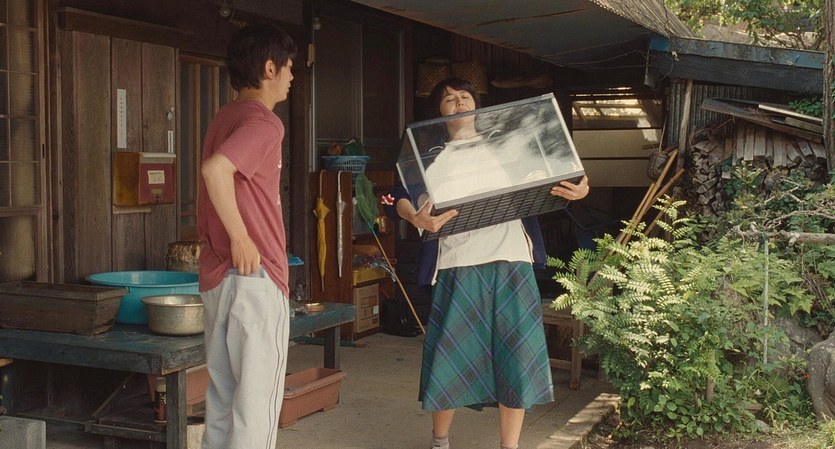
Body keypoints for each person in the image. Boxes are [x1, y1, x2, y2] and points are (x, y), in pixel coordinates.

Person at [393, 77, 590, 449]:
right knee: (451, 354)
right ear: (438, 112)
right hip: (456, 262)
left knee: (516, 355)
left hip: (511, 258)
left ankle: (509, 446)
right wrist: (414, 216)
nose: (459, 102)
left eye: (465, 96)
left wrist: (582, 185)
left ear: (477, 105)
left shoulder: (507, 147)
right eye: (449, 99)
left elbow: (559, 170)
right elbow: (398, 195)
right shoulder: (428, 156)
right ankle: (440, 442)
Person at [197, 23, 296, 449]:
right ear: (270, 68)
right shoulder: (265, 122)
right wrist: (242, 237)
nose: (291, 76)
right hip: (256, 277)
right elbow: (216, 171)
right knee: (256, 409)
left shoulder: (225, 116)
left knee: (222, 403)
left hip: (217, 278)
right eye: (289, 67)